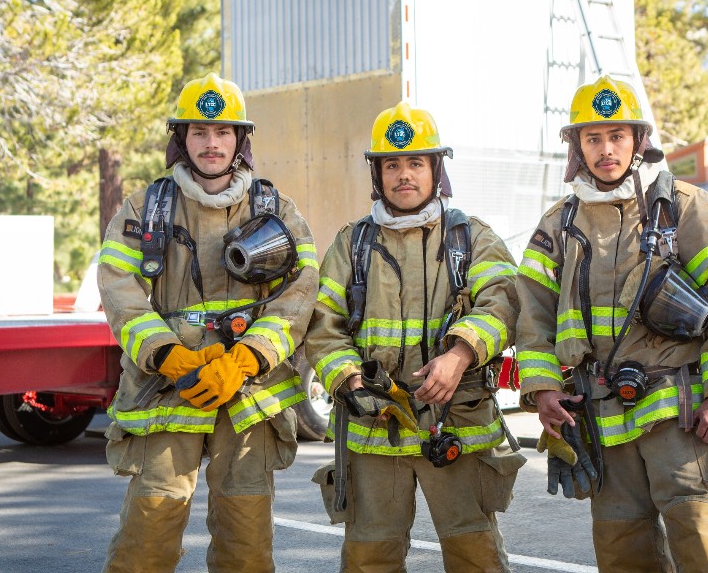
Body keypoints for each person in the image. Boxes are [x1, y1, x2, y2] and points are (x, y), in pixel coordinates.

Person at [515, 75, 708, 573]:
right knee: (623, 545)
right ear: (577, 147)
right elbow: (532, 315)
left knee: (704, 539)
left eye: (618, 136)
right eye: (594, 138)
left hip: (679, 411)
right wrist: (543, 391)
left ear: (638, 142)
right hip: (600, 413)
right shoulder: (558, 224)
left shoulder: (686, 207)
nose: (607, 149)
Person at [97, 72, 319, 573]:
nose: (212, 143)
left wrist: (246, 358)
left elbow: (300, 294)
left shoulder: (276, 209)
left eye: (223, 132)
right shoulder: (143, 209)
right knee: (147, 533)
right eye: (199, 132)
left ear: (241, 139)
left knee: (246, 539)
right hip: (168, 387)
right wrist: (168, 355)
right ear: (182, 139)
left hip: (247, 392)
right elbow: (120, 291)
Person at [304, 102, 525, 572]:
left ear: (435, 169)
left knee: (475, 557)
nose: (404, 175)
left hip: (456, 424)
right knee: (369, 559)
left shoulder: (472, 238)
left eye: (416, 163)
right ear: (378, 172)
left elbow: (504, 303)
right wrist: (349, 378)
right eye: (392, 164)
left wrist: (461, 354)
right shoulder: (352, 244)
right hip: (374, 428)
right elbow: (323, 328)